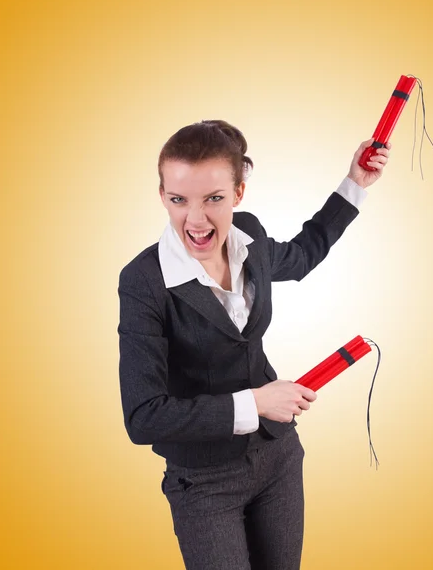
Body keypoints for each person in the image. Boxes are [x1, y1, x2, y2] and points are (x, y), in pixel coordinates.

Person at [117, 120, 390, 570]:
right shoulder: (145, 281)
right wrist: (257, 402)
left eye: (214, 199)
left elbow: (302, 255)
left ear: (239, 193)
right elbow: (143, 418)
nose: (197, 219)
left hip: (278, 458)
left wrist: (355, 184)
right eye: (178, 199)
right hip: (204, 481)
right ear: (162, 195)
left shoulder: (249, 236)